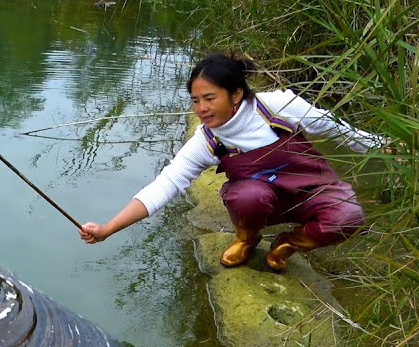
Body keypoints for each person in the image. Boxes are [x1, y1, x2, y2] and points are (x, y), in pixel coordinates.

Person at [79, 53, 389, 271]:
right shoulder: (207, 140)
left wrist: (378, 145)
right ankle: (248, 238)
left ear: (236, 94)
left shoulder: (278, 107)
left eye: (210, 98)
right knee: (247, 195)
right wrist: (108, 228)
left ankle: (288, 244)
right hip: (263, 204)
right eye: (195, 100)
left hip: (310, 192)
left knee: (349, 215)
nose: (202, 108)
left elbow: (330, 125)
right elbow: (166, 184)